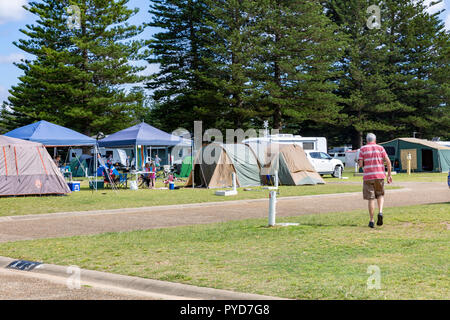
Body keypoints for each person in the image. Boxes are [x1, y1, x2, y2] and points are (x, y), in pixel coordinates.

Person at [358, 133, 392, 228]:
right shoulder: (380, 148)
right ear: (375, 140)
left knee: (371, 198)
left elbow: (360, 165)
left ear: (366, 140)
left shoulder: (363, 149)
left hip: (368, 177)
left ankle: (372, 220)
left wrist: (359, 161)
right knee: (380, 195)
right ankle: (380, 212)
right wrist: (389, 175)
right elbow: (388, 162)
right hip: (380, 175)